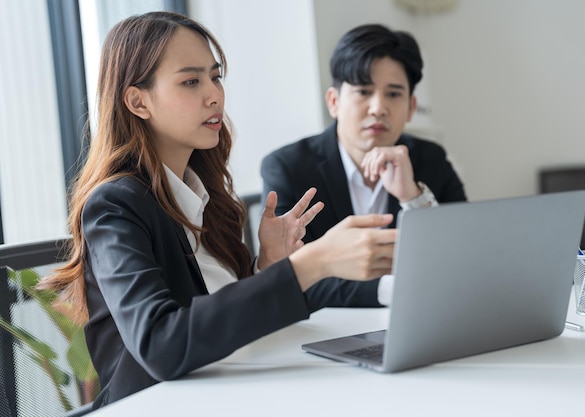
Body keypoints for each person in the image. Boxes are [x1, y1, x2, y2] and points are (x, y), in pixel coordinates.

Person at [37, 12, 397, 410]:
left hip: (235, 392)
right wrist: (311, 264)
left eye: (216, 76)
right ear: (138, 101)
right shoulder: (115, 206)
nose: (214, 95)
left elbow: (220, 319)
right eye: (191, 81)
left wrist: (269, 268)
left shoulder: (206, 195)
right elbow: (161, 344)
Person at [261, 24, 466, 310]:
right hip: (325, 334)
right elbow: (288, 277)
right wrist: (390, 290)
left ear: (410, 107)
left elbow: (464, 258)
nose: (378, 107)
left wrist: (412, 196)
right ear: (334, 102)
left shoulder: (430, 159)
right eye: (363, 91)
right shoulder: (288, 167)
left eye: (394, 94)